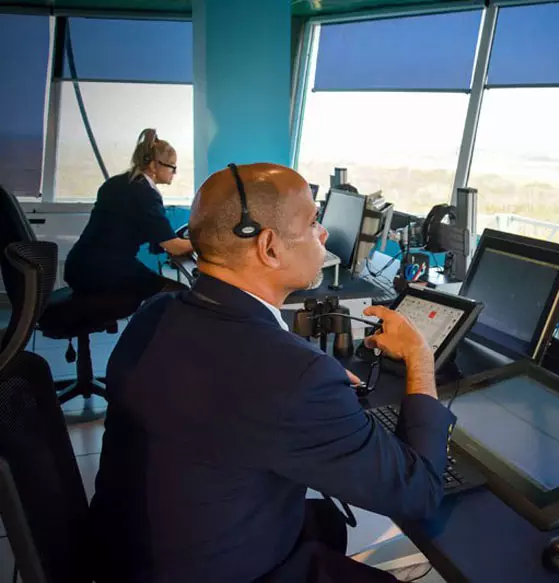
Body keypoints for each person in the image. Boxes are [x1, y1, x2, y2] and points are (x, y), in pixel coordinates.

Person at [89, 163, 454, 582]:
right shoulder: (291, 376)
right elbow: (419, 492)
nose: (323, 235)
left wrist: (302, 371)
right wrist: (420, 359)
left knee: (324, 520)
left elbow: (231, 384)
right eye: (314, 222)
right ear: (269, 247)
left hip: (132, 556)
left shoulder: (155, 314)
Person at [64, 128, 193, 300]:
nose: (174, 173)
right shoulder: (145, 193)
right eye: (172, 167)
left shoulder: (116, 183)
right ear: (154, 165)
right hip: (106, 272)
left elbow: (131, 226)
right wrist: (205, 243)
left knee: (157, 285)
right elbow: (174, 247)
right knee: (179, 294)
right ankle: (151, 326)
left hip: (79, 266)